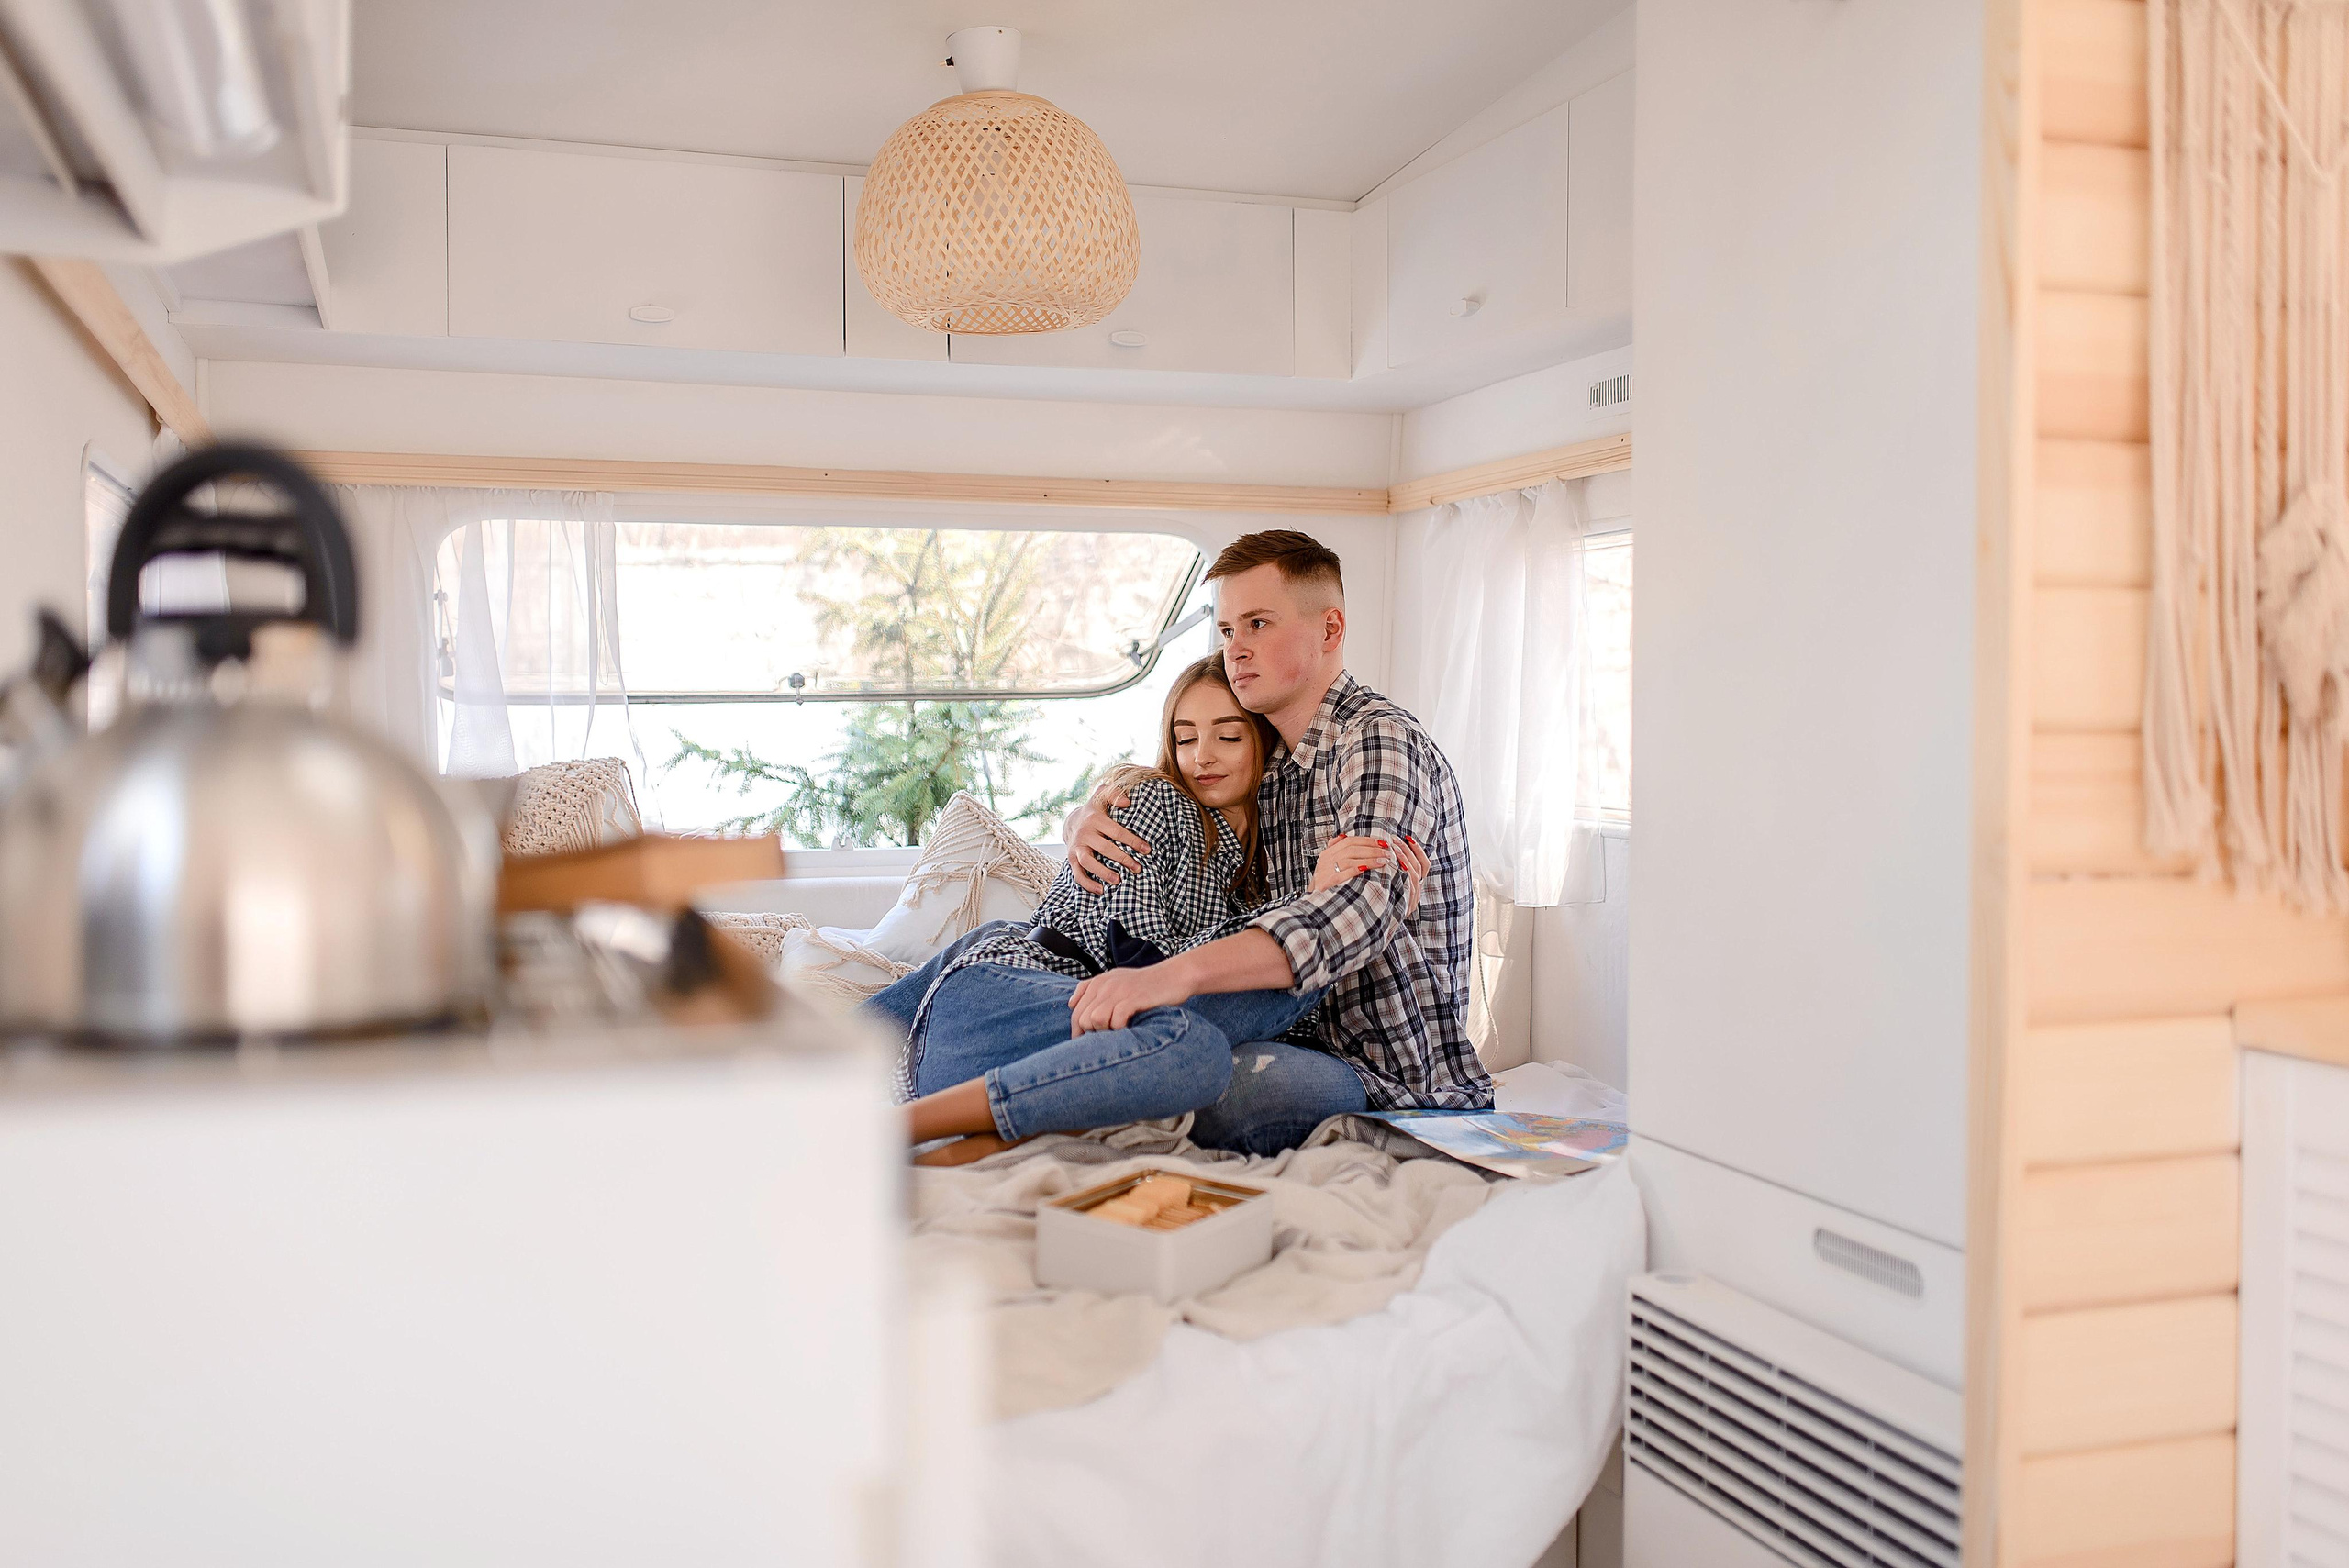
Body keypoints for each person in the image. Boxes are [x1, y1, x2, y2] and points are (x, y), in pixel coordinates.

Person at [866, 654, 1422, 1165]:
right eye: (1185, 739)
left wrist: (1349, 914)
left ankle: (975, 1149)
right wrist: (1306, 907)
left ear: (1265, 746)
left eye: (1228, 737)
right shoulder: (1148, 802)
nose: (1201, 756)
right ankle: (890, 1130)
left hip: (1080, 1046)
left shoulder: (1259, 865)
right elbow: (1136, 968)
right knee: (1195, 1044)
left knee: (1217, 1052)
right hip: (1008, 1001)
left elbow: (1255, 1006)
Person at [1060, 529, 1488, 1156]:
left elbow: (1360, 910)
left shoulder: (1376, 740)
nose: (1237, 649)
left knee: (1226, 1087)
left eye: (1258, 623)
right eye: (1229, 631)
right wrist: (1082, 813)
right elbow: (1176, 792)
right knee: (1123, 1039)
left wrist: (1168, 978)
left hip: (1387, 1073)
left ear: (1330, 629)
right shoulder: (1270, 758)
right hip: (1291, 1031)